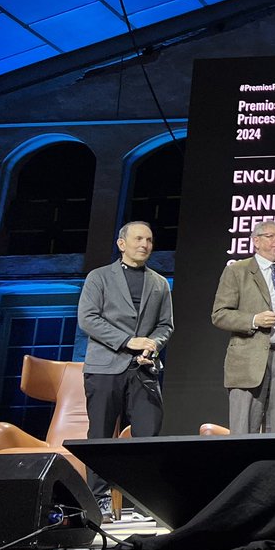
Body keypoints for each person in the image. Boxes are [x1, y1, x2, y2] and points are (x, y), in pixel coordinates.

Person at [77, 221, 173, 521]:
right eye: (138, 239)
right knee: (101, 436)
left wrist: (152, 346)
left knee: (148, 436)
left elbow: (165, 325)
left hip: (143, 369)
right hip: (105, 366)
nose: (144, 244)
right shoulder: (99, 277)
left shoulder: (159, 282)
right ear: (122, 244)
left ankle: (146, 501)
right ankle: (99, 500)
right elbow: (88, 318)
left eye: (149, 239)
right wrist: (127, 341)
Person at [211, 219, 275, 434]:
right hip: (250, 358)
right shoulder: (238, 271)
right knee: (244, 428)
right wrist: (254, 320)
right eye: (271, 236)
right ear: (256, 241)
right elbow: (219, 315)